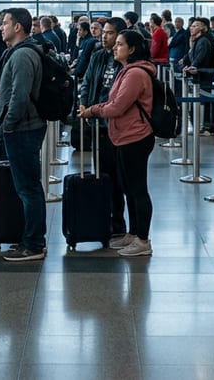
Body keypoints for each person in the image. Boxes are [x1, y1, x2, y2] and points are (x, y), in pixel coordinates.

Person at [77, 29, 156, 257]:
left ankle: (143, 239)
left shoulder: (135, 74)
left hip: (135, 137)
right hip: (123, 136)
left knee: (137, 189)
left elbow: (116, 106)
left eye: (120, 44)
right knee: (129, 188)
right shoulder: (126, 71)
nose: (114, 47)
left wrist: (92, 110)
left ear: (131, 49)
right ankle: (133, 233)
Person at [0, 7, 49, 262]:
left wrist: (8, 123)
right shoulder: (19, 53)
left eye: (5, 23)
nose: (1, 27)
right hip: (22, 126)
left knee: (28, 188)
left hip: (23, 128)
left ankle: (34, 243)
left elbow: (21, 94)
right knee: (26, 187)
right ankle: (30, 238)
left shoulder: (23, 55)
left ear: (18, 27)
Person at [80, 17, 127, 239]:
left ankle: (118, 221)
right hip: (97, 122)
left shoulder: (126, 62)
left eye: (109, 33)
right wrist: (84, 102)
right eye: (103, 32)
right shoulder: (98, 56)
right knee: (101, 173)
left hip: (116, 125)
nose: (104, 36)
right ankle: (103, 218)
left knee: (117, 177)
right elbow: (88, 81)